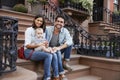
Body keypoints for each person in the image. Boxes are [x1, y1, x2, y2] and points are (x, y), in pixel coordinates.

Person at [24, 14, 59, 80]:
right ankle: (47, 77)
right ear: (34, 20)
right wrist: (40, 44)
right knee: (48, 55)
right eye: (38, 20)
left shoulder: (42, 31)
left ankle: (56, 76)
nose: (39, 22)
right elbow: (27, 45)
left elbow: (43, 43)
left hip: (39, 50)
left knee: (54, 54)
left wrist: (46, 44)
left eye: (41, 21)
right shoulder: (29, 30)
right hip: (29, 51)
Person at [45, 15, 73, 80]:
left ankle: (65, 62)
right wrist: (49, 48)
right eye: (58, 21)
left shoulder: (65, 31)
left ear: (63, 24)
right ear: (55, 22)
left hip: (58, 48)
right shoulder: (47, 29)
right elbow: (43, 40)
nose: (59, 23)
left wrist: (59, 48)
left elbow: (69, 41)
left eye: (61, 22)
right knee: (57, 52)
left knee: (70, 43)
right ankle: (61, 74)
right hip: (49, 49)